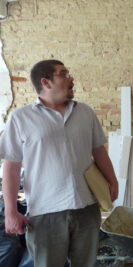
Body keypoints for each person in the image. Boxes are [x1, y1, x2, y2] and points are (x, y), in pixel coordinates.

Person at [0, 59, 118, 267]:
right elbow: (11, 165)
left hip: (86, 208)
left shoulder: (85, 112)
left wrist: (113, 181)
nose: (71, 78)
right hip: (45, 213)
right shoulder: (21, 118)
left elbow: (98, 151)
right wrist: (11, 212)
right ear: (46, 82)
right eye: (63, 74)